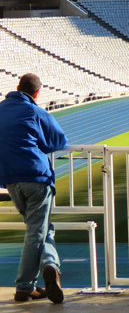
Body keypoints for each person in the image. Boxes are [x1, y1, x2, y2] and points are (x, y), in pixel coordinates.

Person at [0, 73, 68, 304]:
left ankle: (50, 267)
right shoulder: (35, 111)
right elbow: (59, 141)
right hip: (37, 178)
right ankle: (24, 287)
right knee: (36, 233)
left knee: (41, 229)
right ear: (37, 93)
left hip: (11, 180)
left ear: (16, 87)